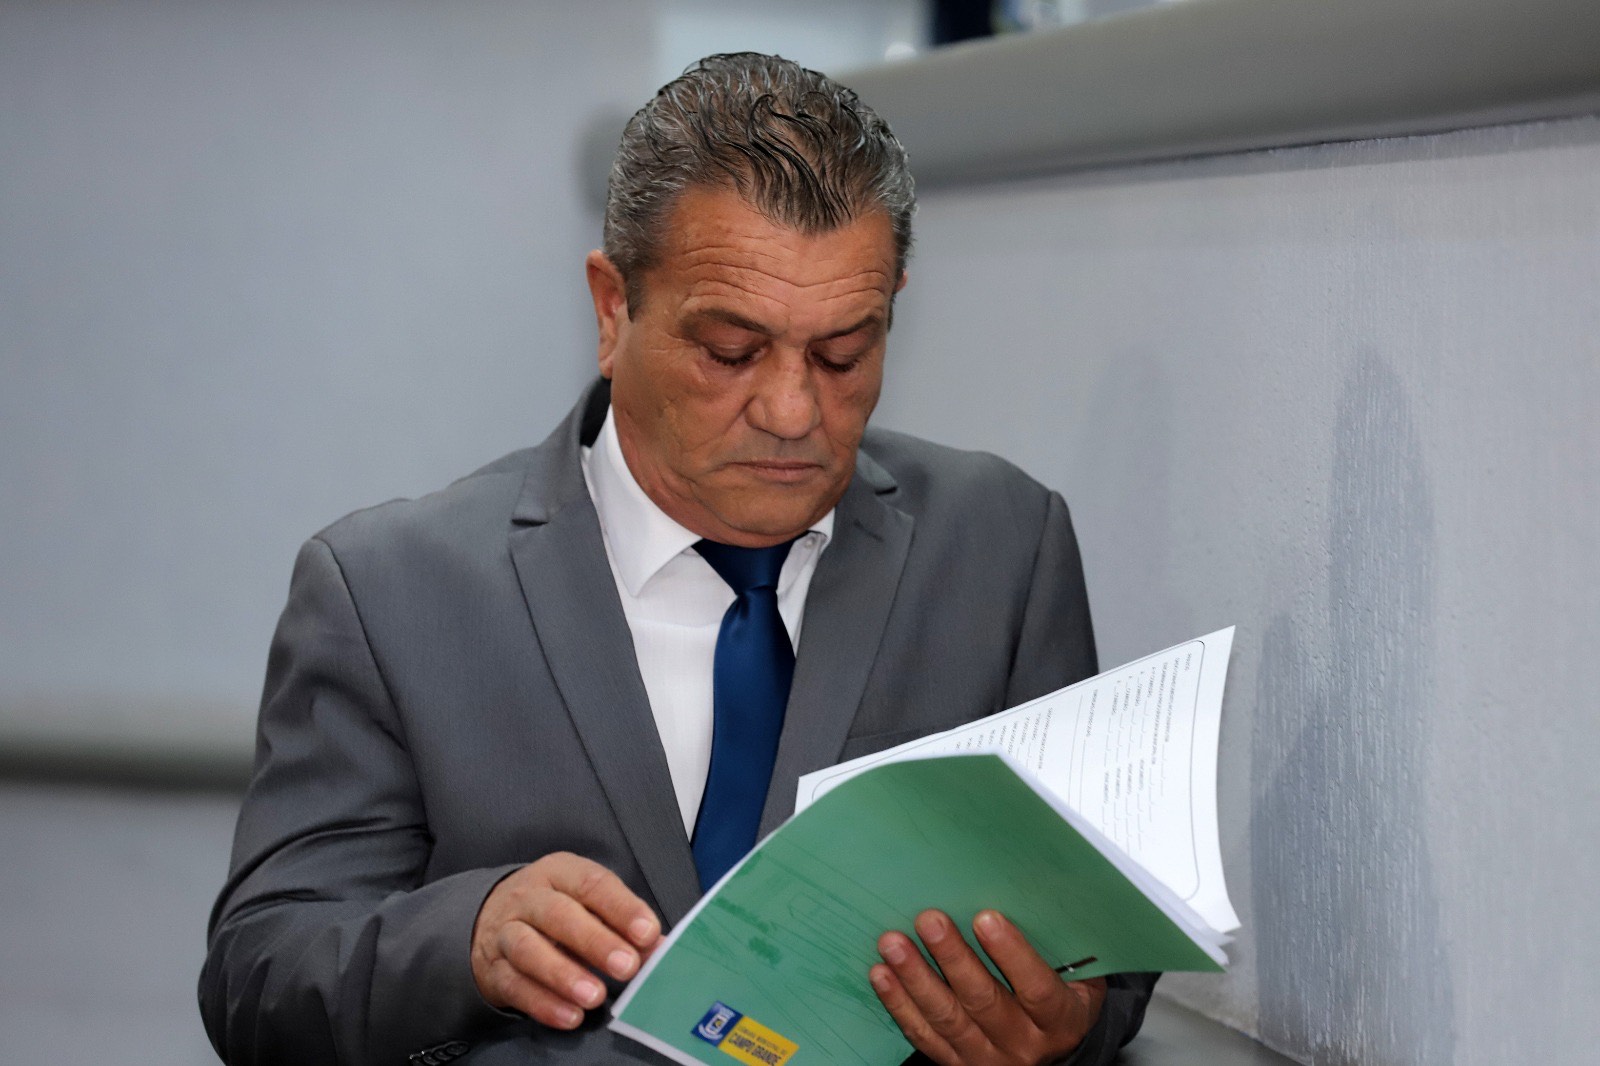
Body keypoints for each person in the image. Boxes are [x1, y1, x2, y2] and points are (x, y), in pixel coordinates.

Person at [200, 53, 1156, 1066]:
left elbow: (1102, 953)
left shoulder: (1002, 545)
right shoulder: (388, 592)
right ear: (612, 310)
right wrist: (466, 939)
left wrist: (1067, 1022)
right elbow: (262, 978)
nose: (791, 410)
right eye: (730, 351)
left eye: (843, 353)